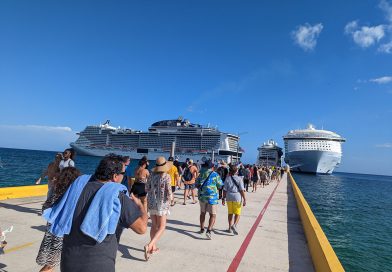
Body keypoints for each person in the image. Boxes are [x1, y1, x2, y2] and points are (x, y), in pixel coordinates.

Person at [44, 154, 147, 272]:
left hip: (68, 262)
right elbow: (142, 228)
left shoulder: (75, 188)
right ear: (115, 176)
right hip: (99, 265)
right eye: (122, 174)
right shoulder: (117, 196)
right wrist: (141, 206)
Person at [36, 167, 81, 272]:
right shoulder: (72, 195)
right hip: (61, 233)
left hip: (51, 229)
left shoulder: (56, 190)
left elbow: (45, 208)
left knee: (51, 264)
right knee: (51, 265)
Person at [145, 156, 173, 260]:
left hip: (152, 203)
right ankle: (150, 245)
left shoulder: (151, 175)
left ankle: (153, 248)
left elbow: (146, 188)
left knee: (154, 226)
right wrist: (172, 199)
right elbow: (169, 192)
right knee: (162, 227)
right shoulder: (166, 176)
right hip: (162, 204)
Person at [195, 160, 223, 240]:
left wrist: (203, 189)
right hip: (212, 197)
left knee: (202, 213)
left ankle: (201, 229)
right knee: (212, 215)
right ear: (212, 167)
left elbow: (196, 185)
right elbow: (220, 185)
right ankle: (209, 231)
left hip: (202, 197)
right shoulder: (215, 174)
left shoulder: (201, 174)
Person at [222, 164, 246, 235]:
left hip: (229, 196)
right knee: (237, 213)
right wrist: (245, 199)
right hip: (237, 196)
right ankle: (234, 225)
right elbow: (242, 190)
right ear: (236, 171)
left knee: (230, 213)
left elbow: (224, 190)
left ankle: (229, 228)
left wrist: (223, 198)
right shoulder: (239, 179)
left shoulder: (227, 178)